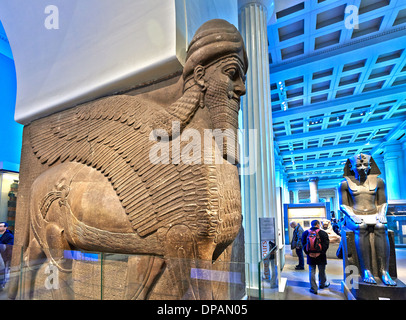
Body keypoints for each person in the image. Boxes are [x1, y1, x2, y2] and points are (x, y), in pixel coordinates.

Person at [339, 153, 396, 286]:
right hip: (355, 214)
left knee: (381, 227)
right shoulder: (345, 184)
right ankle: (366, 270)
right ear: (352, 167)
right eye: (359, 165)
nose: (363, 168)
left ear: (370, 166)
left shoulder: (379, 182)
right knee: (361, 227)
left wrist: (382, 214)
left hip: (374, 212)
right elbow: (344, 205)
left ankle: (383, 271)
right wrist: (353, 215)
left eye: (365, 165)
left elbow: (382, 202)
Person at [302, 219, 330, 294]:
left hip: (310, 255)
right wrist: (321, 252)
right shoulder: (323, 233)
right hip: (321, 256)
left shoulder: (305, 233)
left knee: (312, 271)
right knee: (322, 271)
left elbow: (303, 244)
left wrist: (308, 253)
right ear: (318, 224)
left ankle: (313, 288)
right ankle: (322, 284)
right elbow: (326, 245)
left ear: (311, 225)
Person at [0, 222, 13, 289]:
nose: (0, 227)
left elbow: (10, 245)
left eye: (1, 226)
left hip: (4, 255)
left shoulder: (9, 236)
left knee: (3, 270)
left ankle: (2, 284)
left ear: (6, 227)